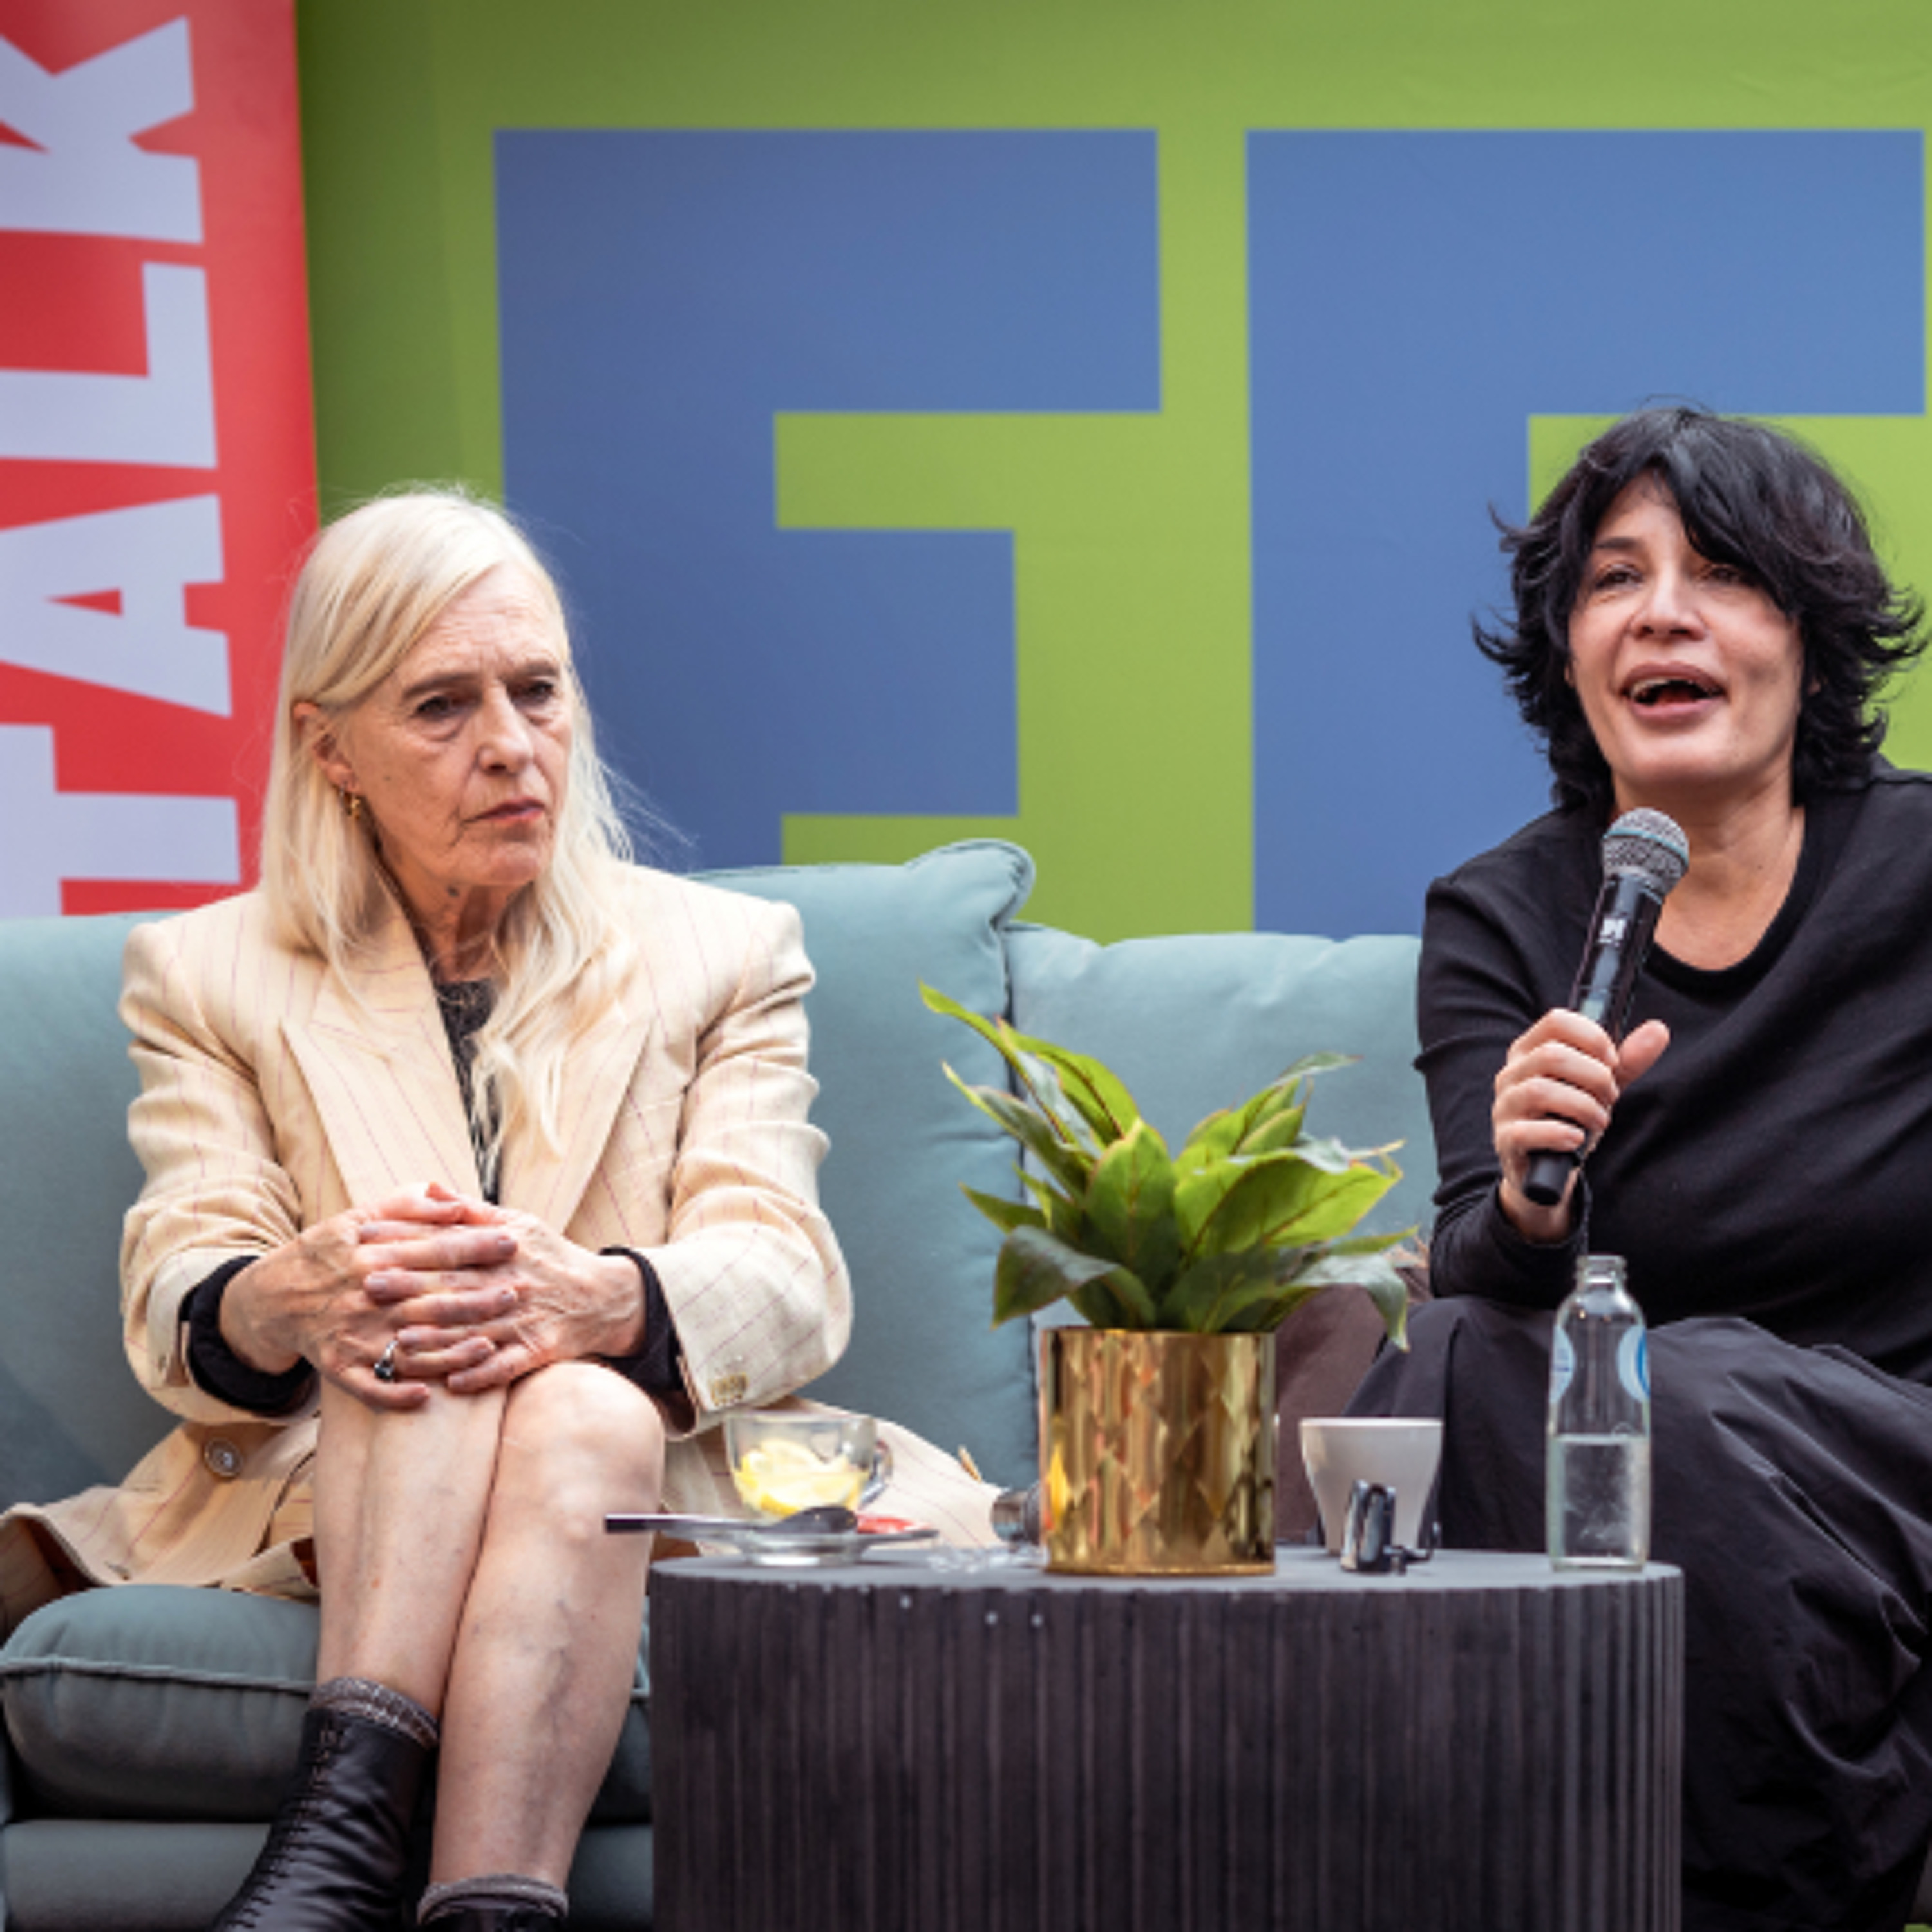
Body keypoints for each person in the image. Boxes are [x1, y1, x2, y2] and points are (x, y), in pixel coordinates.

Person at [0, 489, 992, 1932]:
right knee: (413, 1315)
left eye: (538, 690)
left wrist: (597, 1300)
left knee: (568, 1393)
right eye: (442, 706)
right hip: (346, 1475)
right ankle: (448, 1891)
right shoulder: (208, 972)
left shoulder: (724, 955)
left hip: (640, 1477)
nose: (513, 746)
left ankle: (341, 1857)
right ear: (330, 748)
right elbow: (182, 1276)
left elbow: (782, 1273)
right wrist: (293, 1292)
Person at [1347, 406, 1932, 1932]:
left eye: (1723, 572)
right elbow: (1480, 1260)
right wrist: (1528, 1191)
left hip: (1893, 1469)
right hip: (1634, 1468)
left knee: (1670, 1383)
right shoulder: (1501, 914)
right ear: (1570, 658)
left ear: (1811, 647)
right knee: (1451, 1359)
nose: (1664, 612)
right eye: (1617, 580)